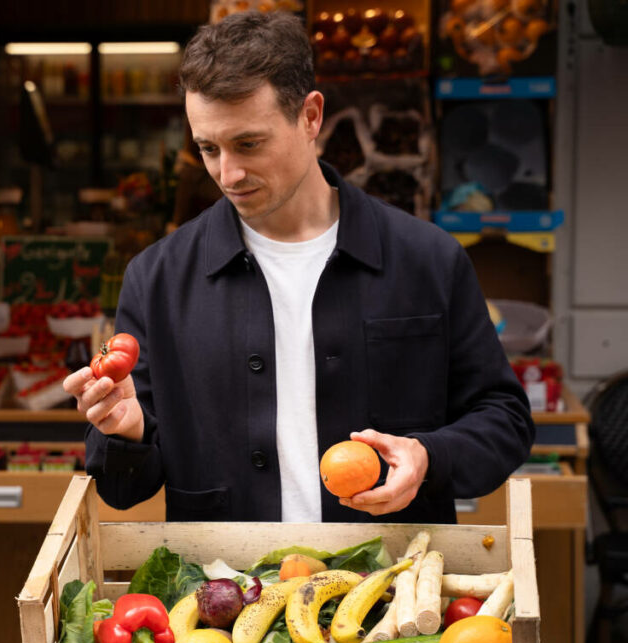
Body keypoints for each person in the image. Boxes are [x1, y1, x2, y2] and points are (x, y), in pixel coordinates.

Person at [63, 11, 533, 523]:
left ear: (310, 117)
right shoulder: (156, 279)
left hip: (393, 589)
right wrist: (127, 432)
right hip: (230, 592)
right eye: (207, 148)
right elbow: (123, 489)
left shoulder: (428, 259)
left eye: (248, 144)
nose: (228, 173)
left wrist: (428, 457)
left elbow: (504, 420)